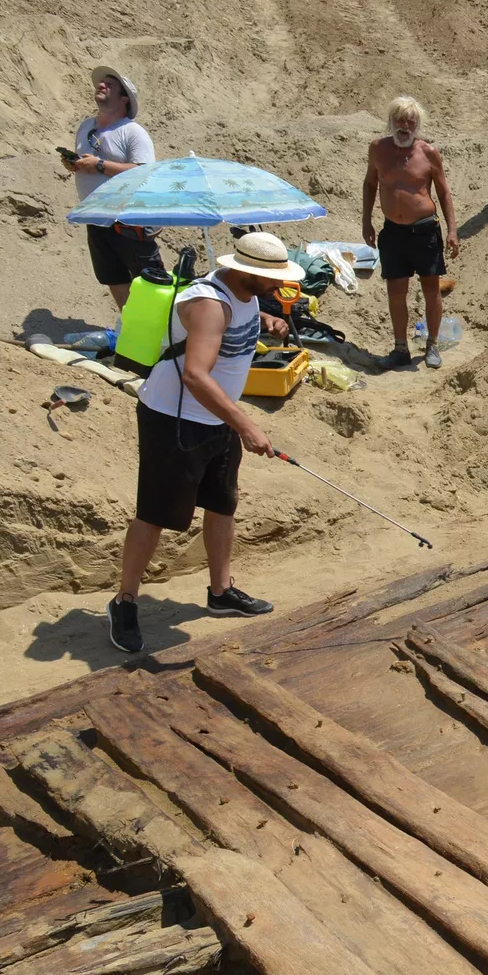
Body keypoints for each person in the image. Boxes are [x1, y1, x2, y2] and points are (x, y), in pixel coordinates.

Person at [106, 232, 301, 654]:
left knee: (221, 504)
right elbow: (195, 375)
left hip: (218, 420)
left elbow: (236, 328)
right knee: (155, 514)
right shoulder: (210, 305)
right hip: (176, 420)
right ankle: (124, 601)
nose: (279, 286)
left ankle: (220, 591)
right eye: (272, 279)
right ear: (246, 271)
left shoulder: (244, 296)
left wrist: (265, 320)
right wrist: (246, 425)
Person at [361, 96, 460, 370]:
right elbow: (370, 184)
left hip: (425, 231)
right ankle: (400, 348)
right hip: (393, 232)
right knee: (395, 291)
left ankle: (432, 345)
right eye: (400, 120)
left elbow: (443, 192)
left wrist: (452, 230)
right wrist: (366, 221)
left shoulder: (428, 153)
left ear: (418, 124)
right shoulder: (378, 149)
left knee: (431, 291)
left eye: (410, 121)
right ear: (391, 121)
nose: (405, 126)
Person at [66, 66, 161, 307]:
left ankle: (161, 333)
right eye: (101, 83)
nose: (101, 85)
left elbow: (144, 170)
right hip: (95, 215)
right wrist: (75, 164)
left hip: (126, 219)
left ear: (123, 99)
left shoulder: (132, 132)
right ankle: (130, 329)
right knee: (113, 278)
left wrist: (99, 165)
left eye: (110, 84)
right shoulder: (86, 126)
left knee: (148, 279)